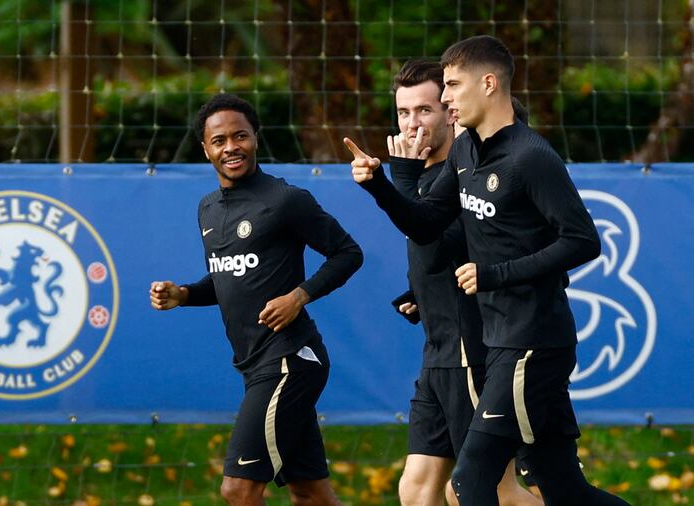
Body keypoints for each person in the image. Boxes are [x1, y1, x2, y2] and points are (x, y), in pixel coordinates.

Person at [344, 36, 629, 505]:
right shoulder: (467, 152)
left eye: (452, 85)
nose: (448, 96)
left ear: (489, 83)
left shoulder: (530, 157)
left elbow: (583, 241)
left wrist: (495, 274)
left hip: (532, 344)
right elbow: (425, 223)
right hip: (502, 341)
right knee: (563, 489)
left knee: (470, 482)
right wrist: (380, 183)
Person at [150, 94, 362, 506]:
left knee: (239, 489)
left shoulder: (285, 200)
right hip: (257, 365)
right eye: (220, 140)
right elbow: (229, 279)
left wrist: (299, 297)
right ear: (206, 149)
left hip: (288, 361)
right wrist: (184, 294)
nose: (231, 147)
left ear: (255, 139)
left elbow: (348, 252)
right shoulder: (208, 209)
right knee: (311, 493)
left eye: (240, 136)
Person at [383, 59, 541, 506]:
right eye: (403, 113)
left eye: (424, 110)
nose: (412, 125)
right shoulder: (429, 178)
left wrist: (403, 179)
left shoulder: (461, 176)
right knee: (416, 491)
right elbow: (441, 256)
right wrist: (420, 294)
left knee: (488, 491)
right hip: (437, 354)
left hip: (472, 352)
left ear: (450, 111)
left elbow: (438, 239)